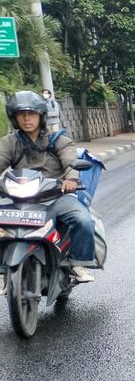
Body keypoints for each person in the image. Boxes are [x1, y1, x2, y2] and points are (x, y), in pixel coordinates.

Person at [0, 92, 95, 282]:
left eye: (32, 114)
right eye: (21, 114)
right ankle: (4, 272)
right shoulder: (9, 142)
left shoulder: (58, 140)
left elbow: (70, 163)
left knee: (82, 219)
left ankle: (78, 263)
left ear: (41, 116)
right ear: (14, 118)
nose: (27, 119)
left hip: (55, 196)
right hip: (20, 198)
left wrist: (72, 180)